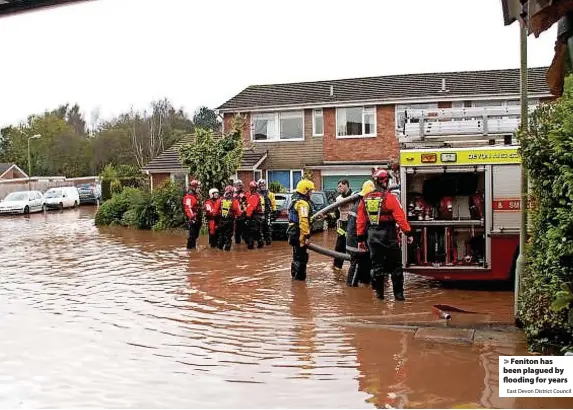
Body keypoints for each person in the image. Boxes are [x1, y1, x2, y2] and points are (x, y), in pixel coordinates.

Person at [356, 169, 413, 301]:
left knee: (377, 267)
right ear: (385, 182)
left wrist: (361, 239)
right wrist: (408, 233)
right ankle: (399, 297)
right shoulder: (389, 198)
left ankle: (380, 296)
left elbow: (361, 221)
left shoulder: (365, 199)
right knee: (396, 267)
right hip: (389, 236)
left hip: (373, 237)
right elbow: (400, 218)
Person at [345, 180, 375, 287]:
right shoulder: (361, 207)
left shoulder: (358, 204)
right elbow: (362, 227)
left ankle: (365, 284)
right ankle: (351, 289)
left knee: (365, 264)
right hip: (356, 243)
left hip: (356, 241)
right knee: (356, 264)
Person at [287, 179, 315, 281]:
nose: (311, 193)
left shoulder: (295, 200)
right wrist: (306, 237)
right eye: (310, 191)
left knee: (296, 257)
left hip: (293, 233)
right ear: (305, 191)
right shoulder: (303, 203)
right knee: (301, 259)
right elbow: (303, 221)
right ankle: (299, 281)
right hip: (299, 234)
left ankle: (294, 279)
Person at [333, 179, 353, 272]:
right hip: (342, 224)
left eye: (340, 186)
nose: (338, 188)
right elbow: (336, 213)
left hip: (352, 224)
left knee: (353, 246)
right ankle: (337, 267)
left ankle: (355, 267)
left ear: (346, 185)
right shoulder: (338, 198)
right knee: (339, 246)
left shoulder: (354, 196)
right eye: (338, 186)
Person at [214, 185, 243, 251]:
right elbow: (239, 213)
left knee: (221, 236)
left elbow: (215, 212)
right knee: (228, 238)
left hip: (221, 221)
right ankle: (227, 252)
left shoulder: (219, 200)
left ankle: (219, 251)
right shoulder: (235, 201)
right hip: (230, 222)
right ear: (232, 192)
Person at [245, 180, 265, 249]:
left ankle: (251, 247)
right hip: (259, 217)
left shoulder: (254, 196)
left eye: (251, 188)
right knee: (258, 232)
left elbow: (251, 207)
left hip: (255, 217)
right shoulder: (259, 195)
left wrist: (247, 216)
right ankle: (261, 246)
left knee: (251, 233)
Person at [183, 180, 202, 249]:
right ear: (194, 188)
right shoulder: (188, 197)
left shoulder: (197, 196)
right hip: (193, 219)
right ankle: (190, 250)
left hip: (198, 218)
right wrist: (192, 217)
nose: (199, 189)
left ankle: (193, 248)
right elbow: (188, 208)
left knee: (196, 235)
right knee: (192, 236)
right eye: (198, 188)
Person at [257, 178, 276, 246]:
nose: (262, 186)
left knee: (267, 227)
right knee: (259, 228)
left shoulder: (270, 194)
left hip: (267, 213)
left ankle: (268, 242)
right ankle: (261, 242)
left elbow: (273, 203)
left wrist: (274, 211)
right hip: (259, 214)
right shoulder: (257, 194)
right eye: (261, 185)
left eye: (263, 185)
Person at [233, 180, 248, 245]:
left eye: (239, 185)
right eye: (237, 185)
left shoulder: (243, 194)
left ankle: (247, 243)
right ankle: (237, 244)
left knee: (244, 231)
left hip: (242, 215)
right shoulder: (233, 194)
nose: (238, 187)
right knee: (237, 232)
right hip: (235, 215)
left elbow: (245, 204)